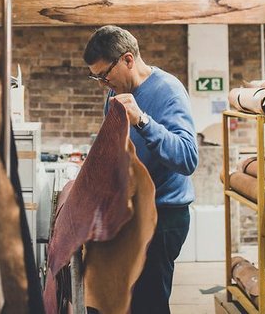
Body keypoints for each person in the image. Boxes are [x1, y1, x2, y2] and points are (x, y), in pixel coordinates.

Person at [83, 25, 198, 314]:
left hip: (163, 217)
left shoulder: (168, 91)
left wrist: (143, 121)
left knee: (149, 304)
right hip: (130, 212)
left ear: (127, 59)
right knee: (122, 301)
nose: (102, 84)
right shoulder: (114, 94)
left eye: (104, 75)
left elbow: (187, 158)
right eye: (96, 77)